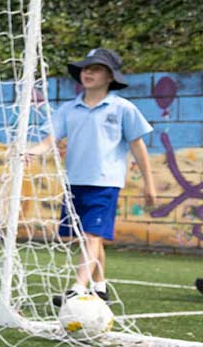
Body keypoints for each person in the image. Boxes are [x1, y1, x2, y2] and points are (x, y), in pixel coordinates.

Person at [29, 48, 158, 302]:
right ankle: (100, 286)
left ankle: (78, 288)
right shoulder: (69, 109)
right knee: (87, 237)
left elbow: (138, 147)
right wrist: (31, 151)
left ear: (110, 76)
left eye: (96, 68)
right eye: (85, 68)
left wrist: (149, 184)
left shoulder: (123, 108)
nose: (88, 72)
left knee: (91, 235)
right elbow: (49, 141)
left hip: (105, 183)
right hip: (74, 182)